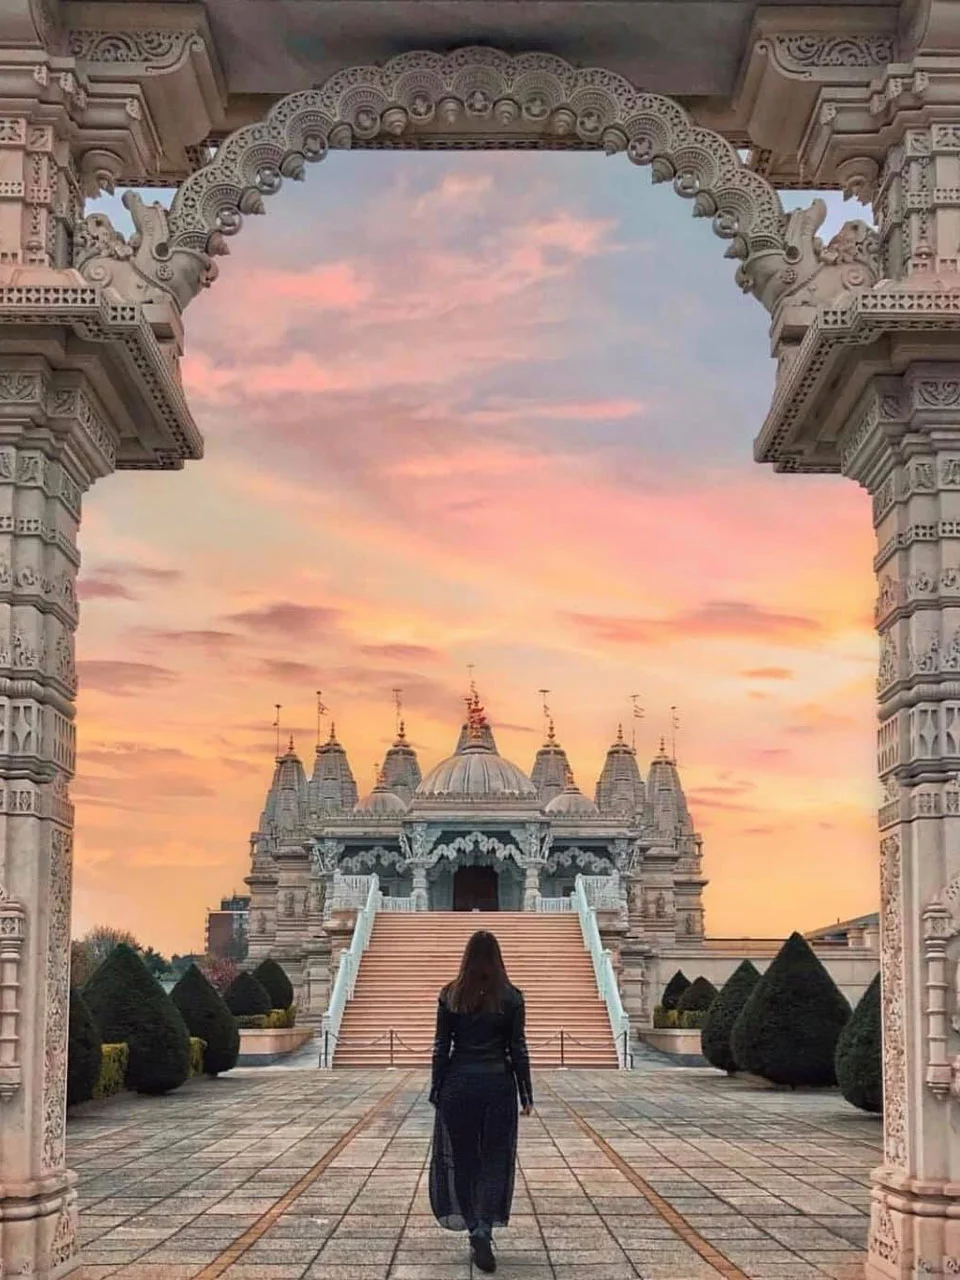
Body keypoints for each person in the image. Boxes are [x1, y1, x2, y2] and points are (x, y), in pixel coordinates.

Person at [428, 929, 533, 1275]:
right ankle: (484, 1226)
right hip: (498, 1085)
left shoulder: (451, 994)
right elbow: (517, 1048)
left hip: (459, 1084)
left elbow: (441, 1047)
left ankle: (473, 1225)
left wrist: (437, 1087)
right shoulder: (512, 997)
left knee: (463, 1159)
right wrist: (526, 1093)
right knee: (494, 1159)